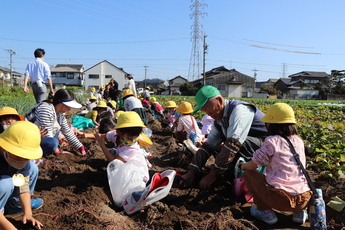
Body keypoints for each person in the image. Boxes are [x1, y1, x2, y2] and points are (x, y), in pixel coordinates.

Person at [181, 85, 267, 189]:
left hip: (268, 146)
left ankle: (248, 178)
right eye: (204, 110)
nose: (208, 113)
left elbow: (233, 144)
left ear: (219, 100)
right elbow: (207, 146)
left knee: (232, 146)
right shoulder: (219, 121)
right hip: (251, 147)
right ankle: (231, 174)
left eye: (208, 108)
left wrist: (212, 174)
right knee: (217, 148)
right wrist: (192, 171)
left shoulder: (239, 110)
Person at [240, 103, 312, 225]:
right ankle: (299, 213)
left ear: (271, 124)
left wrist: (243, 166)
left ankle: (265, 212)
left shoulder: (272, 141)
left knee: (248, 174)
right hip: (304, 198)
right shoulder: (299, 141)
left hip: (281, 199)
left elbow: (253, 165)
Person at [0, 121, 44, 229]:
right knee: (5, 183)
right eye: (19, 156)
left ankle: (13, 205)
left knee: (32, 168)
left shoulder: (23, 161)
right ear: (4, 148)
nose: (22, 160)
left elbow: (23, 186)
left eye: (26, 157)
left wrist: (28, 214)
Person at [25, 89, 87, 156]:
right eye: (68, 106)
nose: (70, 109)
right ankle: (36, 153)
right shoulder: (46, 109)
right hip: (28, 136)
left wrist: (80, 146)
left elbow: (67, 131)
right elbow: (48, 134)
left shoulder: (60, 115)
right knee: (53, 142)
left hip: (40, 135)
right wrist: (57, 152)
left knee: (57, 133)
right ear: (61, 104)